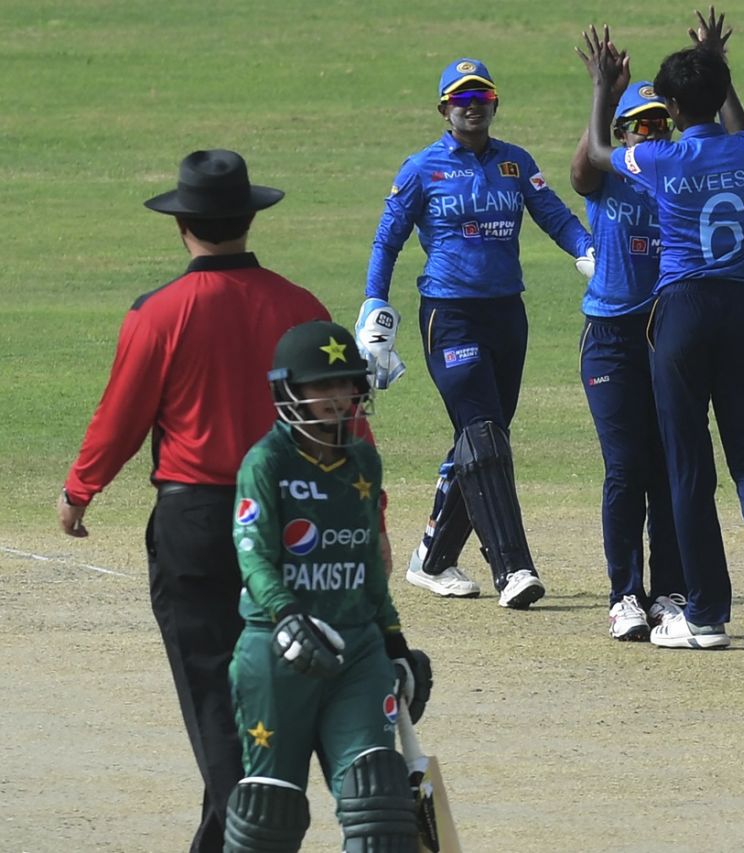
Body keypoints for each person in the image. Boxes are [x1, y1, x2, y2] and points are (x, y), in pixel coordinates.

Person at [57, 150, 333, 852]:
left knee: (214, 690)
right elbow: (343, 425)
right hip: (292, 517)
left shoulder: (159, 313)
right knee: (281, 683)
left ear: (183, 227)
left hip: (199, 521)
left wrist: (79, 491)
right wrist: (371, 515)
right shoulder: (303, 307)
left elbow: (121, 417)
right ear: (249, 218)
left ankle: (256, 831)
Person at [577, 9, 744, 656]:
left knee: (688, 462)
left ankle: (705, 612)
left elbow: (597, 155)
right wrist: (719, 64)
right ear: (720, 93)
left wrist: (602, 91)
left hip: (681, 311)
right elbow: (739, 124)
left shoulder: (661, 158)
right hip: (742, 305)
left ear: (669, 105)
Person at [364, 57, 594, 609]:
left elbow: (555, 215)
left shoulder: (515, 163)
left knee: (482, 438)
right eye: (461, 98)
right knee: (483, 430)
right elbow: (386, 241)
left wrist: (588, 248)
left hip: (506, 314)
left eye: (481, 97)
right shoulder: (422, 168)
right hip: (450, 313)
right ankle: (513, 568)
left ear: (494, 105)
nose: (472, 106)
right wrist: (375, 306)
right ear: (444, 109)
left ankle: (434, 558)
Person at [223, 320, 431, 852]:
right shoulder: (267, 463)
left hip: (356, 652)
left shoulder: (363, 460)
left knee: (379, 804)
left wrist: (393, 642)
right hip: (277, 651)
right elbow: (254, 558)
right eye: (323, 386)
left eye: (347, 385)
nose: (339, 399)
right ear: (289, 391)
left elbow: (365, 564)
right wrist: (288, 615)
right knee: (271, 813)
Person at [569, 79, 688, 641]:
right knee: (625, 467)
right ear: (619, 134)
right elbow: (579, 175)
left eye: (662, 123)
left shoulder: (680, 177)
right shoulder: (609, 176)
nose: (654, 132)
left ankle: (669, 593)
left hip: (667, 333)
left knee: (668, 468)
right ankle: (624, 596)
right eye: (641, 124)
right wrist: (602, 92)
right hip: (612, 337)